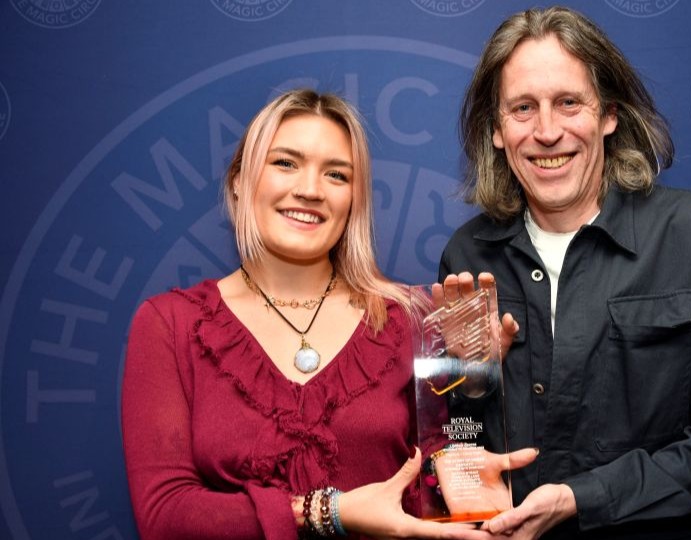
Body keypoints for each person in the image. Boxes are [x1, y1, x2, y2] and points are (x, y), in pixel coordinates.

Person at [121, 89, 530, 540]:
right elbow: (163, 516)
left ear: (354, 197)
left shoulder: (412, 317)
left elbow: (433, 476)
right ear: (239, 180)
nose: (311, 190)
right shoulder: (170, 324)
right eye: (285, 163)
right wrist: (328, 510)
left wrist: (473, 387)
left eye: (336, 174)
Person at [438, 7, 691, 540]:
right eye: (523, 108)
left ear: (609, 116)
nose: (547, 131)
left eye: (568, 103)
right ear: (497, 130)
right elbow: (453, 444)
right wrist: (471, 386)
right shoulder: (468, 257)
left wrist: (582, 498)